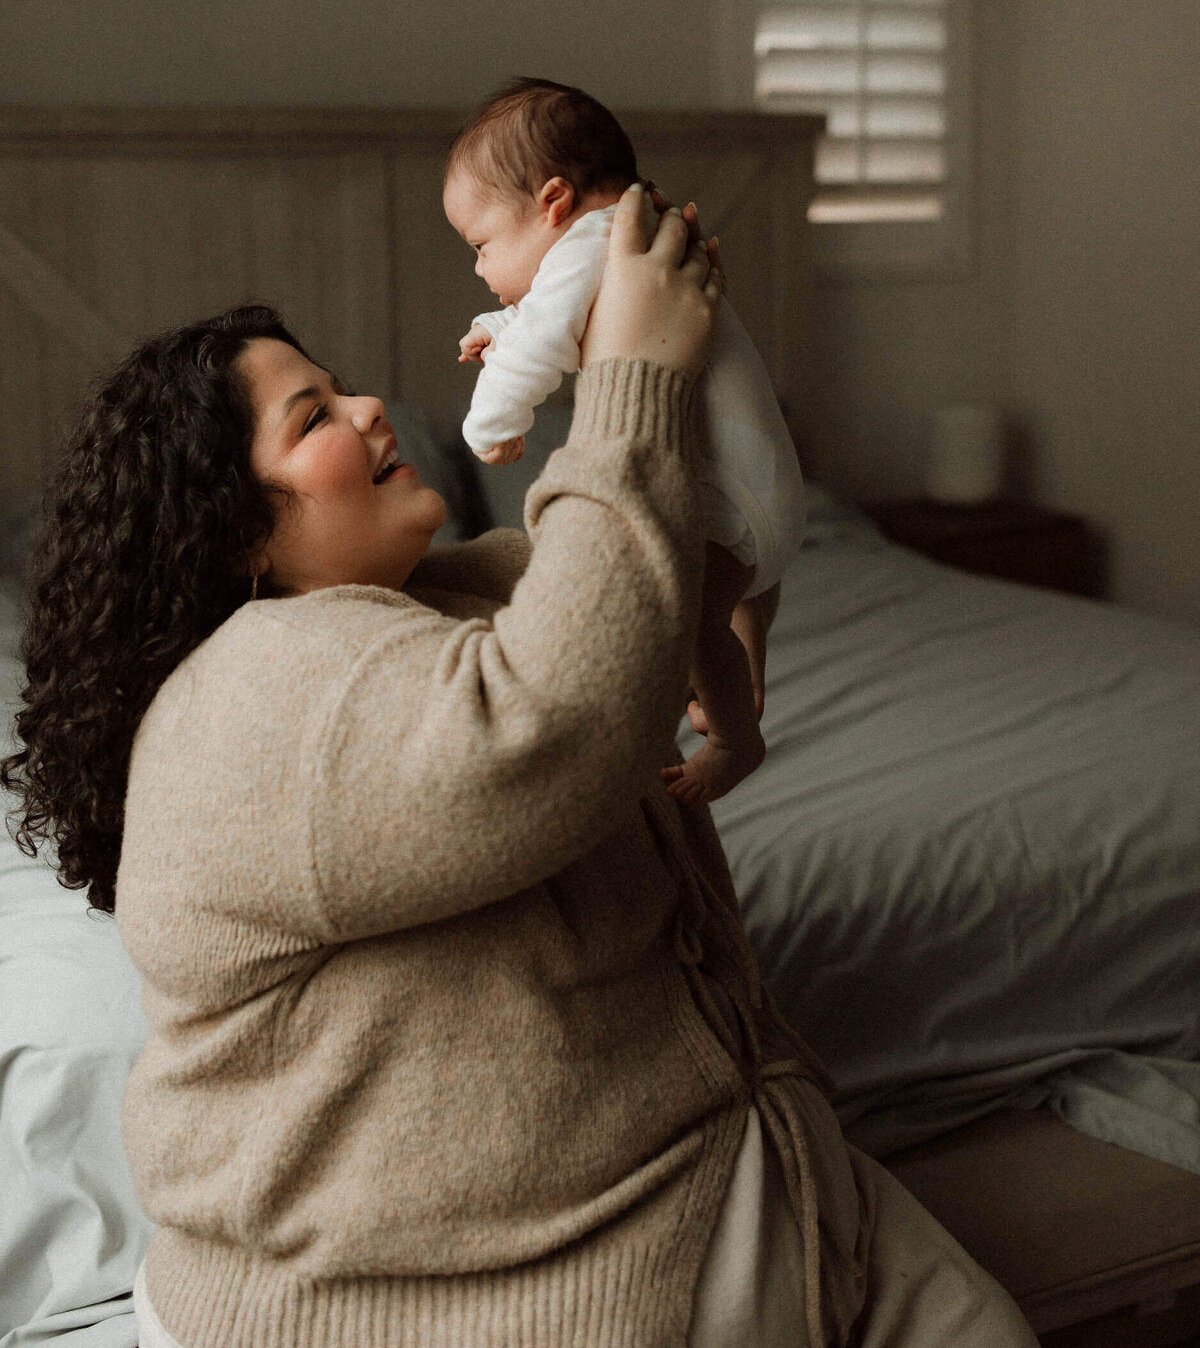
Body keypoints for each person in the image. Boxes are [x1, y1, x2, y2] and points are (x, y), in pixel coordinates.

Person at [2, 189, 1037, 1348]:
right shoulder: (246, 699)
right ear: (233, 531)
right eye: (315, 417)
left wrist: (679, 353)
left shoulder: (451, 594)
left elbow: (638, 562)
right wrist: (630, 381)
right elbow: (562, 723)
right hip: (460, 1288)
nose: (368, 406)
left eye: (342, 386)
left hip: (734, 1178)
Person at [445, 77, 807, 806]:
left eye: (481, 245)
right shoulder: (624, 239)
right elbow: (555, 316)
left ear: (552, 202)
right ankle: (741, 658)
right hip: (764, 486)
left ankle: (734, 741)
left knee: (693, 619)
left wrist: (493, 423)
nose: (479, 267)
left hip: (731, 504)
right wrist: (496, 329)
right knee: (729, 601)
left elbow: (546, 338)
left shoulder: (592, 248)